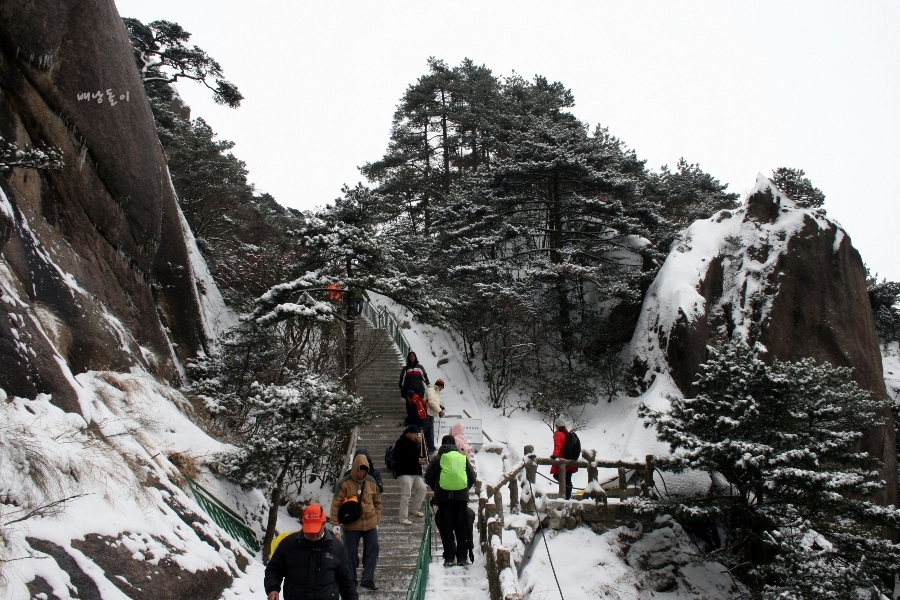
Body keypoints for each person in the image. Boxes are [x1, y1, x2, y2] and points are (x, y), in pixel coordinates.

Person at [264, 504, 358, 600]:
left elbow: (347, 582)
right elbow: (273, 569)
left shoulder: (337, 547)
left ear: (323, 524)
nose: (312, 534)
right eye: (309, 529)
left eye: (315, 529)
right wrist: (273, 589)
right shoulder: (288, 544)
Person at [331, 454, 382, 591]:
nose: (361, 473)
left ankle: (367, 579)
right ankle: (350, 579)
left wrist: (377, 519)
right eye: (359, 470)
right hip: (351, 524)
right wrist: (335, 524)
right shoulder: (345, 483)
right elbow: (336, 503)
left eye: (364, 471)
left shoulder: (371, 481)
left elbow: (377, 502)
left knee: (374, 548)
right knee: (350, 553)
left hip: (370, 522)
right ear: (354, 469)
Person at [424, 435, 476, 567]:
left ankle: (449, 557)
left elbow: (428, 476)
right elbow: (472, 476)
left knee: (446, 526)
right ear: (454, 445)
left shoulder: (438, 458)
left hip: (443, 497)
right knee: (461, 526)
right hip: (461, 497)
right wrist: (464, 489)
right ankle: (462, 557)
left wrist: (437, 488)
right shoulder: (462, 458)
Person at [391, 424, 428, 525]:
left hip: (415, 471)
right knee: (406, 494)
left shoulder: (414, 443)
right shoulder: (401, 443)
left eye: (417, 434)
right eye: (414, 434)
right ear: (409, 433)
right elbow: (403, 458)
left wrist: (421, 458)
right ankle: (402, 517)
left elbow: (417, 455)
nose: (416, 436)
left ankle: (414, 509)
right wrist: (417, 460)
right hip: (404, 471)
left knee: (422, 488)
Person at [550, 423, 578, 500]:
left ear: (558, 426)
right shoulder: (567, 434)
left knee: (561, 478)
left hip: (562, 459)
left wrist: (555, 455)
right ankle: (566, 496)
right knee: (567, 478)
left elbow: (558, 446)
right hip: (569, 459)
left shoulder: (558, 434)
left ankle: (565, 497)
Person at [422, 379, 446, 454]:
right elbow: (431, 402)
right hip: (427, 413)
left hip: (431, 413)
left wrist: (440, 407)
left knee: (429, 431)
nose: (441, 389)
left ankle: (429, 448)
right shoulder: (431, 390)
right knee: (429, 432)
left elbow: (434, 402)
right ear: (439, 386)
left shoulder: (436, 392)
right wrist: (439, 411)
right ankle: (430, 448)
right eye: (442, 387)